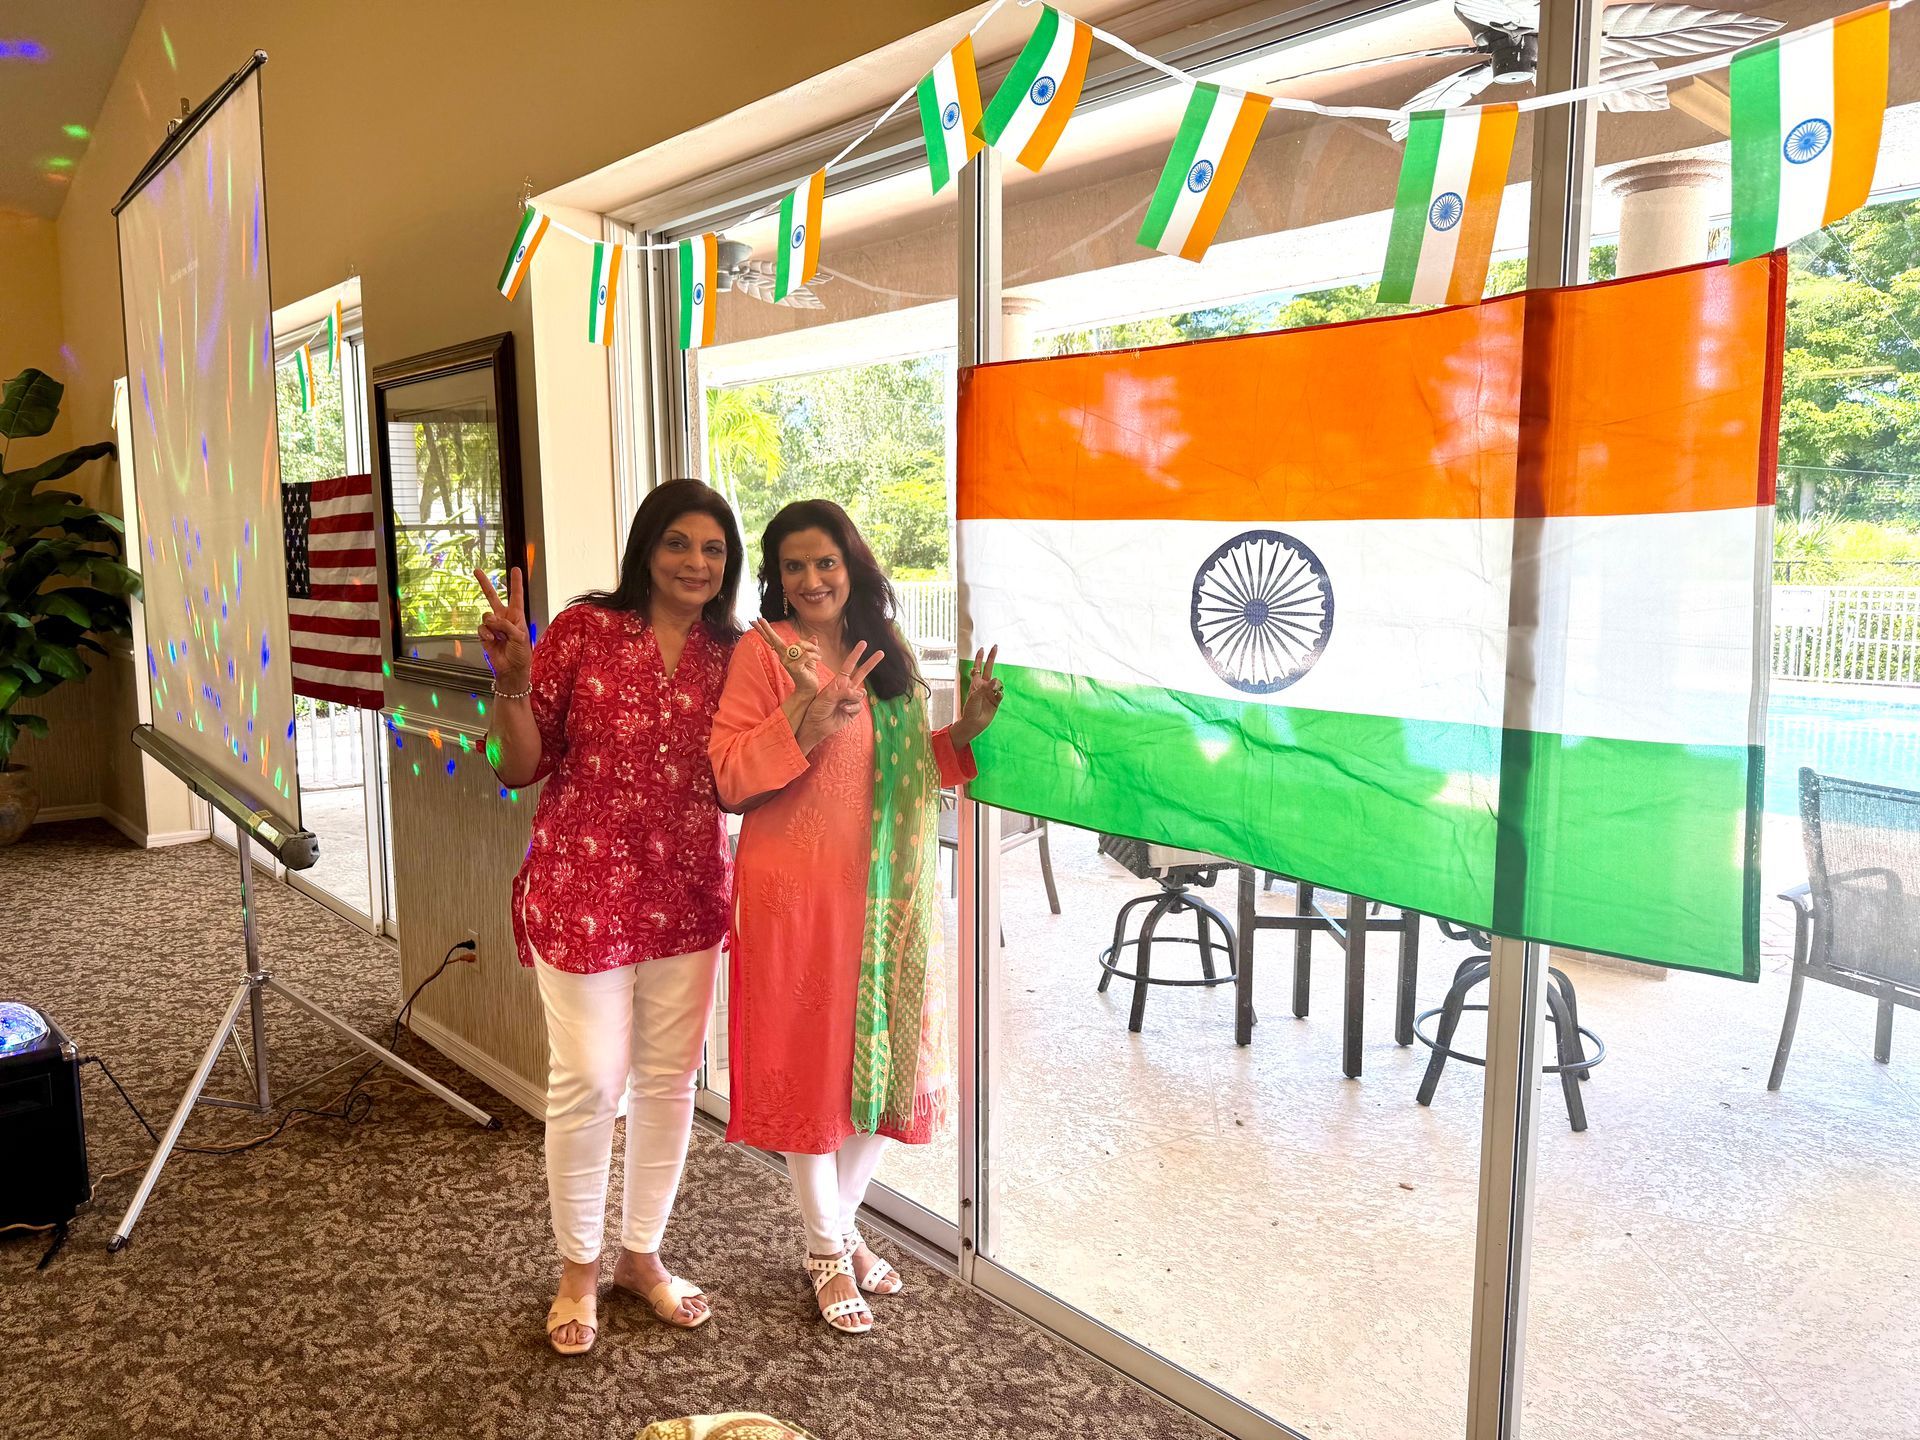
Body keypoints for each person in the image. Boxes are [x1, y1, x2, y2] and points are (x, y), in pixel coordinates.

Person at [709, 499, 1003, 1336]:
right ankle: (828, 1251)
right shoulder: (764, 654)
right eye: (793, 566)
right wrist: (807, 717)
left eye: (825, 563)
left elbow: (909, 773)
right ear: (776, 576)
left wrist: (966, 731)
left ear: (854, 567)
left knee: (881, 1062)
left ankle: (833, 1227)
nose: (810, 581)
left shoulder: (890, 657)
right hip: (795, 891)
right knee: (811, 1068)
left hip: (889, 894)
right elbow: (731, 778)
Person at [476, 479, 744, 1356]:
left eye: (713, 548)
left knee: (669, 1084)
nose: (695, 563)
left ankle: (641, 1254)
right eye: (678, 543)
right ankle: (577, 1266)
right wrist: (511, 685)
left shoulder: (735, 654)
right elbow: (518, 767)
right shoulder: (587, 631)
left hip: (687, 893)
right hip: (582, 888)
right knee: (591, 1079)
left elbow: (757, 765)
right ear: (646, 547)